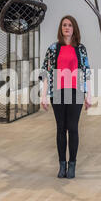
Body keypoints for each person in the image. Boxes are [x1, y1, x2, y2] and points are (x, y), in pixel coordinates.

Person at [38, 15, 92, 179]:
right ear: (61, 29)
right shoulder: (53, 49)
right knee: (61, 129)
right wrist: (43, 95)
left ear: (74, 28)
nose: (67, 28)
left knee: (73, 128)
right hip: (58, 92)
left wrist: (88, 95)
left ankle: (72, 165)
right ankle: (62, 164)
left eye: (69, 25)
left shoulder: (80, 49)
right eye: (64, 25)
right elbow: (45, 73)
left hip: (75, 91)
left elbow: (87, 73)